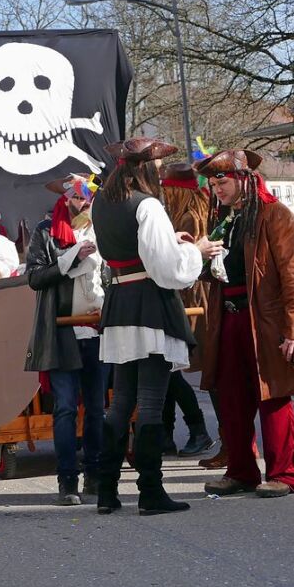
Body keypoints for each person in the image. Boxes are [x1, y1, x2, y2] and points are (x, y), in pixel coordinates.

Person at [92, 139, 221, 516]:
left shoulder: (102, 201)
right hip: (148, 304)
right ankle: (150, 492)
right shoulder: (147, 204)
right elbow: (169, 270)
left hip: (119, 305)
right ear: (147, 168)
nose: (162, 173)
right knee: (149, 402)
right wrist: (195, 250)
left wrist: (172, 242)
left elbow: (134, 252)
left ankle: (107, 491)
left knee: (120, 404)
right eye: (159, 168)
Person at [196, 149, 294, 499]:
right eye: (213, 182)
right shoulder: (221, 218)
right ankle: (240, 471)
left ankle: (285, 474)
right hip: (229, 318)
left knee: (274, 396)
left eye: (222, 180)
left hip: (267, 322)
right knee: (233, 399)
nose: (216, 187)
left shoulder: (274, 215)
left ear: (242, 179)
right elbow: (218, 272)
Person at [25, 172, 107, 505]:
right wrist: (73, 256)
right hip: (62, 330)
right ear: (65, 198)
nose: (82, 202)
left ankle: (96, 476)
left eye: (87, 197)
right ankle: (67, 481)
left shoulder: (103, 228)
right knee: (65, 410)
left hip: (97, 329)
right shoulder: (46, 232)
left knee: (98, 409)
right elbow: (34, 277)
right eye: (76, 197)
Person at [158, 163, 217, 458]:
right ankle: (166, 434)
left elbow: (184, 264)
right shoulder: (192, 210)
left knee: (169, 367)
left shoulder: (188, 216)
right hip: (189, 299)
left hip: (189, 301)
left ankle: (198, 430)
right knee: (167, 367)